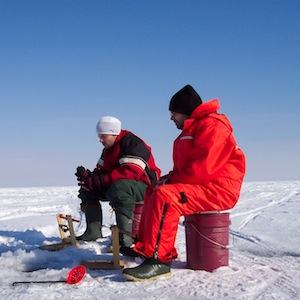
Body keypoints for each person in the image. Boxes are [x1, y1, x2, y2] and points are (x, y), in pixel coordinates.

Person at [123, 84, 246, 281]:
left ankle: (159, 261)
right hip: (201, 186)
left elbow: (204, 168)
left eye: (174, 113)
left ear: (185, 111)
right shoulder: (194, 127)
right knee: (153, 190)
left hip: (218, 189)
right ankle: (146, 248)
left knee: (166, 197)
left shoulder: (213, 126)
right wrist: (168, 178)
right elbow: (188, 169)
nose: (171, 118)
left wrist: (172, 182)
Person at [75, 116, 161, 254]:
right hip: (121, 185)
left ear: (113, 133)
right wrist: (89, 178)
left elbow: (131, 173)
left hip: (145, 187)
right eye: (99, 136)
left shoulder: (132, 143)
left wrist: (101, 181)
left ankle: (126, 238)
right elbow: (101, 171)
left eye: (103, 136)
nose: (100, 140)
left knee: (119, 188)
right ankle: (92, 231)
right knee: (88, 189)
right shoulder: (108, 148)